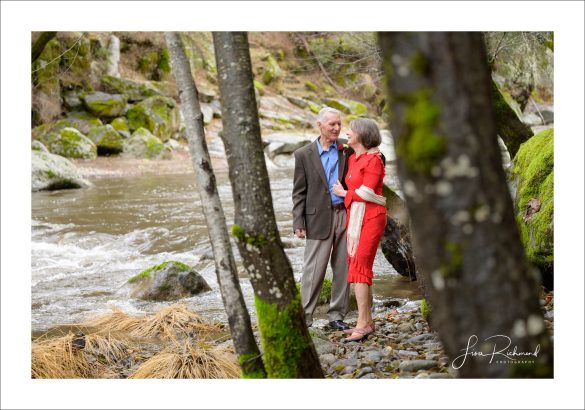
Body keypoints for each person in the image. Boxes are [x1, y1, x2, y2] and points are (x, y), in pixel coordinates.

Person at [292, 107, 351, 331]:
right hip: (316, 219)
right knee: (313, 271)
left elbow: (373, 154)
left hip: (345, 214)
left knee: (343, 268)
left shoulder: (347, 148)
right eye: (332, 124)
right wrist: (298, 222)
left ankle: (337, 316)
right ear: (319, 125)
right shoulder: (303, 154)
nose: (336, 128)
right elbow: (299, 192)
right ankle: (305, 318)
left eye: (339, 124)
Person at [332, 118, 387, 342]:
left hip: (371, 217)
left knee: (361, 268)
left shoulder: (374, 160)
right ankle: (367, 321)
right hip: (356, 216)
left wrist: (344, 193)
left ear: (362, 135)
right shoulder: (354, 157)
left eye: (351, 130)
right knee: (356, 267)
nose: (347, 132)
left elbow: (366, 192)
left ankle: (362, 324)